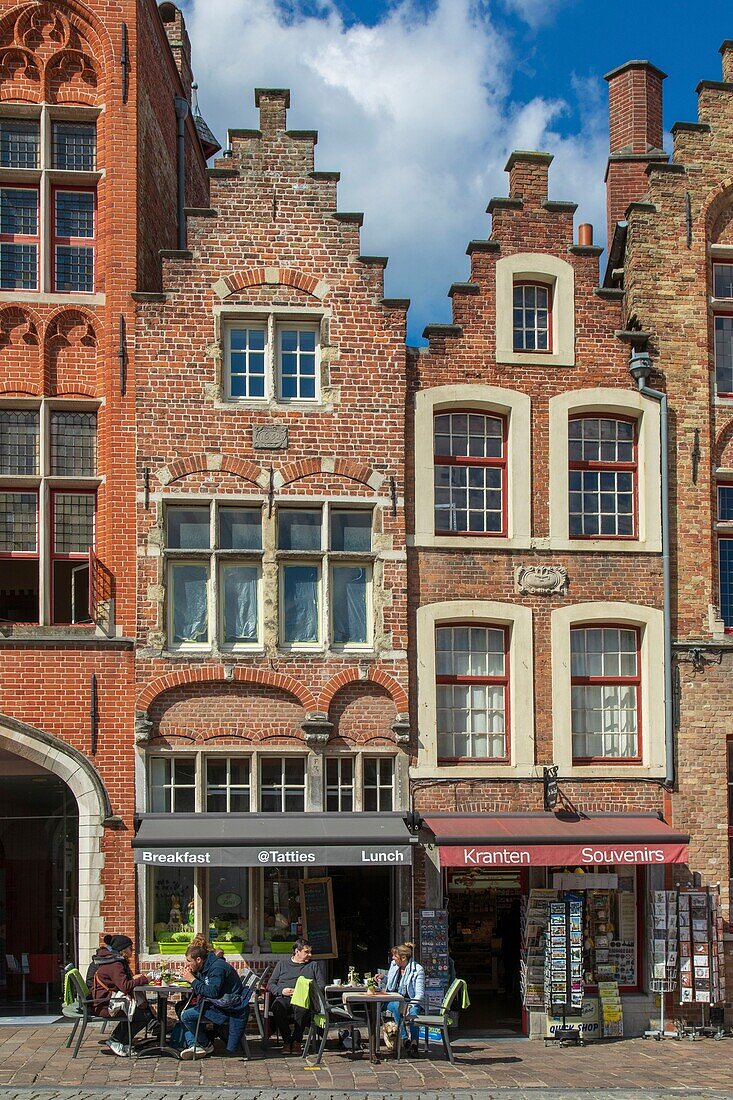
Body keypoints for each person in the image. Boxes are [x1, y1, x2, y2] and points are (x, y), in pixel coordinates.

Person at [179, 943, 250, 1059]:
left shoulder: (217, 968)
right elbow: (207, 984)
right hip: (219, 1003)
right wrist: (193, 976)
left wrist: (192, 980)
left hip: (228, 1008)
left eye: (188, 961)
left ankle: (204, 1044)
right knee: (181, 1007)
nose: (187, 964)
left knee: (185, 1015)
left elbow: (212, 992)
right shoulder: (207, 966)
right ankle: (196, 1045)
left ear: (198, 959)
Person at [88, 934, 153, 1057]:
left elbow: (121, 983)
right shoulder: (115, 964)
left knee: (142, 1011)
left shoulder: (110, 960)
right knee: (144, 1016)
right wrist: (145, 979)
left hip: (104, 1001)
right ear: (123, 949)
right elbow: (125, 986)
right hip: (104, 1005)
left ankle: (123, 1041)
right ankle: (116, 1040)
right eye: (130, 948)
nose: (132, 951)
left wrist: (135, 979)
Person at [268, 937, 325, 1054]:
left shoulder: (313, 965)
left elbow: (321, 985)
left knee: (302, 1009)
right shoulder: (282, 964)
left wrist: (307, 990)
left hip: (303, 999)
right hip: (285, 998)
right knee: (277, 1007)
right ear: (296, 951)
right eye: (306, 952)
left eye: (310, 952)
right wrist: (282, 990)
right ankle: (287, 1041)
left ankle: (297, 1042)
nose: (310, 955)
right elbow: (270, 984)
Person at [381, 942, 425, 1056]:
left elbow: (419, 994)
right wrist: (383, 978)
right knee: (397, 1005)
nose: (393, 958)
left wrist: (411, 1005)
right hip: (392, 999)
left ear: (403, 957)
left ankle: (414, 1044)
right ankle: (405, 1039)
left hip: (410, 1000)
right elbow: (391, 983)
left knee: (414, 1012)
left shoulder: (417, 970)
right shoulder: (394, 965)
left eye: (395, 956)